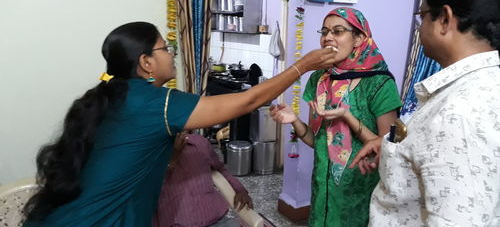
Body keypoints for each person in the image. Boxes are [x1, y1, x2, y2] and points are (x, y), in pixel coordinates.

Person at [22, 21, 337, 227]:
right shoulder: (154, 102)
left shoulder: (115, 96)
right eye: (164, 48)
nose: (171, 55)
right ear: (146, 63)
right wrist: (303, 65)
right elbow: (248, 101)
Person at [350, 0, 500, 226]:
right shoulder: (475, 88)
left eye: (422, 16)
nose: (419, 28)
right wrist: (394, 153)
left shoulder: (458, 114)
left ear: (444, 19)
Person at [270, 7, 401, 227]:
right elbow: (318, 141)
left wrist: (347, 116)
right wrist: (294, 120)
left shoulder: (380, 84)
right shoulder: (319, 81)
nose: (328, 37)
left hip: (358, 196)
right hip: (322, 194)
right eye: (324, 32)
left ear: (359, 37)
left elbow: (388, 150)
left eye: (338, 31)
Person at [152, 133, 252, 227]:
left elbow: (220, 169)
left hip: (218, 220)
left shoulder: (199, 143)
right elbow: (146, 194)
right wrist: (172, 158)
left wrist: (240, 190)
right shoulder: (148, 155)